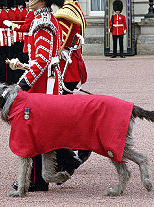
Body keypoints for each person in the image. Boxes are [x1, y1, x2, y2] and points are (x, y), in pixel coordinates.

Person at [7, 0, 82, 192]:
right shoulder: (42, 18)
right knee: (41, 128)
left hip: (43, 84)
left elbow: (42, 60)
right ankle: (66, 159)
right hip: (45, 79)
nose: (27, 0)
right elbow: (41, 58)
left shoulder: (44, 22)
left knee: (33, 128)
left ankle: (37, 180)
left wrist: (22, 84)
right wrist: (25, 68)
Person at [54, 0, 91, 166]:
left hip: (66, 70)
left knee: (62, 116)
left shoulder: (65, 12)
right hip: (70, 67)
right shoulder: (74, 7)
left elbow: (58, 42)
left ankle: (72, 153)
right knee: (66, 113)